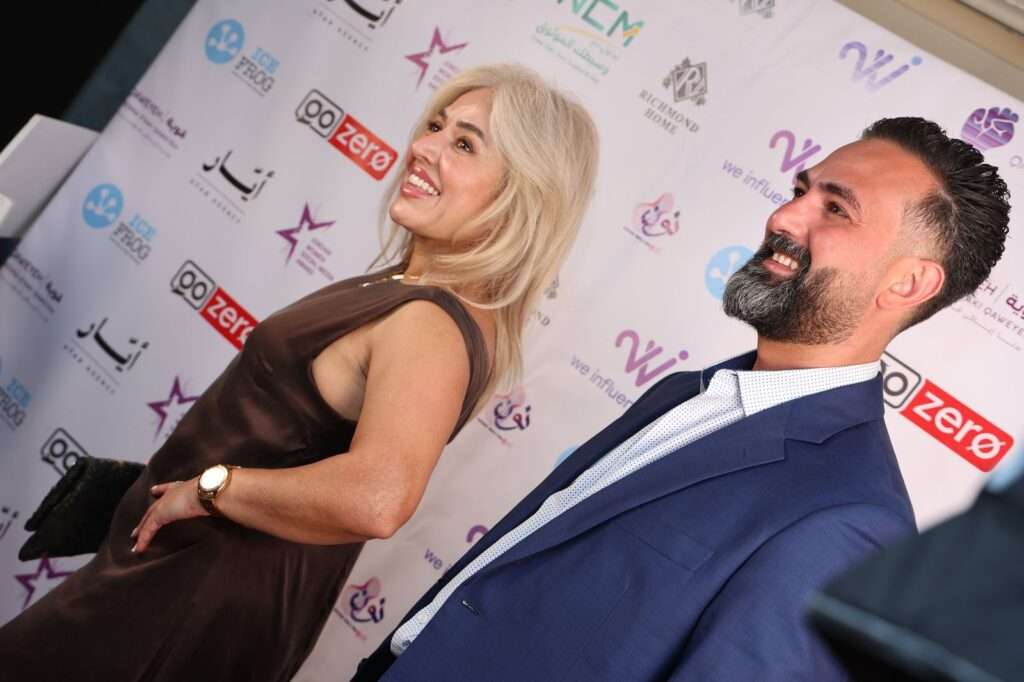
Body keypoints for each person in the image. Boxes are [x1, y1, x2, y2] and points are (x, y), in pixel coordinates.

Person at [352, 117, 1011, 681]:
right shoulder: (687, 391)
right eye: (800, 191)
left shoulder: (848, 520)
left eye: (835, 209)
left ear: (909, 283)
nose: (784, 217)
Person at [0, 63, 599, 682]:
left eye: (465, 145)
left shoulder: (431, 324)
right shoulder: (415, 289)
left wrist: (211, 486)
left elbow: (377, 499)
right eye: (436, 126)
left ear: (521, 195)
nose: (424, 148)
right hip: (179, 576)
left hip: (192, 598)